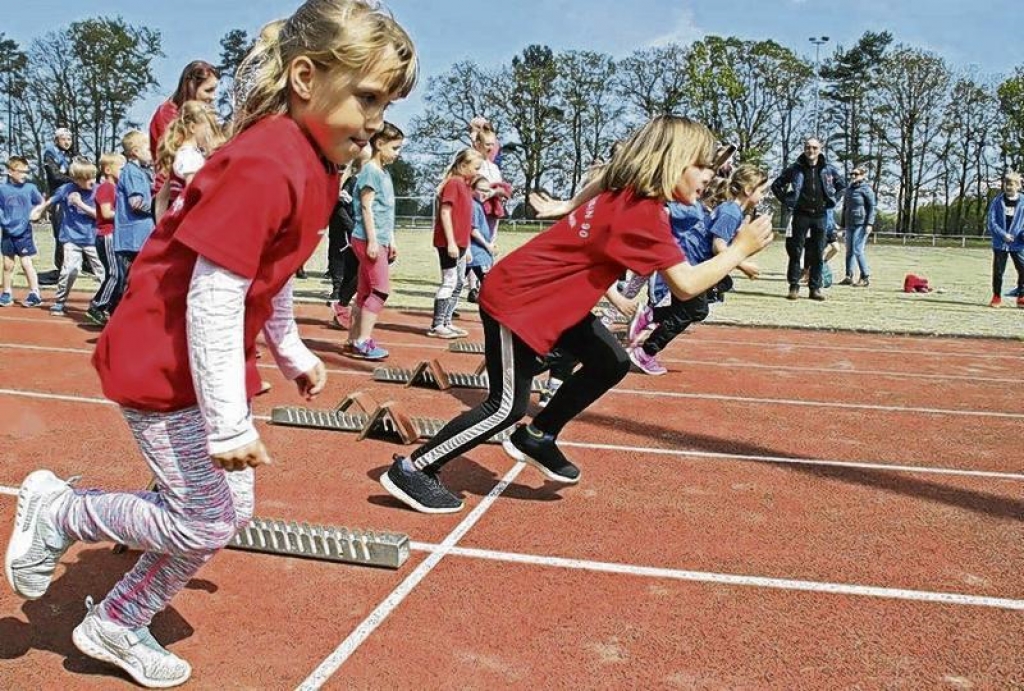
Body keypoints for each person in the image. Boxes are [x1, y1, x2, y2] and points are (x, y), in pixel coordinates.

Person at [3, 3, 417, 688]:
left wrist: (291, 349)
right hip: (160, 361)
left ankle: (115, 620)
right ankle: (61, 510)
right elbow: (214, 297)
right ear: (306, 78)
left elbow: (271, 273)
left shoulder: (316, 165)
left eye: (387, 102)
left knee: (225, 512)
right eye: (369, 97)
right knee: (201, 516)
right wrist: (228, 423)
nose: (376, 119)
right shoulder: (266, 162)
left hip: (204, 366)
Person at [379, 115, 773, 514]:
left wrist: (567, 205)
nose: (711, 177)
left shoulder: (630, 188)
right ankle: (414, 470)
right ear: (673, 162)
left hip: (555, 305)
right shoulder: (644, 214)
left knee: (610, 361)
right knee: (505, 407)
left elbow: (605, 178)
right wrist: (738, 251)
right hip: (519, 301)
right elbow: (685, 285)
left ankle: (539, 435)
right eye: (702, 166)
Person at [628, 164, 767, 375]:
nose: (763, 195)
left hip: (693, 259)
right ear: (748, 190)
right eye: (761, 190)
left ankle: (650, 315)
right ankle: (646, 351)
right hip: (692, 261)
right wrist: (743, 263)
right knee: (695, 310)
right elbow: (718, 245)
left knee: (712, 292)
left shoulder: (732, 210)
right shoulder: (731, 212)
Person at [346, 122, 404, 360]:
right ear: (379, 144)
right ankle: (363, 341)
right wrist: (372, 241)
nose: (398, 153)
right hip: (367, 238)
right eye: (395, 148)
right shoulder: (370, 171)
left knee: (365, 291)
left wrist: (391, 240)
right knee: (380, 290)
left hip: (380, 238)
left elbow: (386, 211)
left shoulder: (384, 173)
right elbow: (367, 208)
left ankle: (353, 338)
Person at [771, 137, 846, 301]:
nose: (810, 151)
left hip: (820, 215)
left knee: (818, 253)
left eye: (814, 148)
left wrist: (832, 200)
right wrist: (787, 200)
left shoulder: (828, 169)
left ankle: (815, 288)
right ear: (804, 149)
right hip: (801, 214)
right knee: (796, 252)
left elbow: (842, 186)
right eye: (807, 147)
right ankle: (794, 286)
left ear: (820, 149)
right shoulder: (795, 169)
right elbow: (776, 185)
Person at [426, 148, 484, 339]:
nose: (478, 172)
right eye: (476, 167)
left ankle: (447, 321)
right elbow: (445, 212)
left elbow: (465, 220)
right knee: (449, 281)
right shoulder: (453, 184)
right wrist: (451, 242)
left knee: (459, 281)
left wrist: (465, 245)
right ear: (463, 165)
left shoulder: (466, 187)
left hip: (460, 243)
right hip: (448, 242)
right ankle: (437, 324)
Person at [43, 158, 106, 316]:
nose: (92, 181)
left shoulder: (99, 190)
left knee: (102, 272)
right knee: (69, 270)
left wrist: (80, 204)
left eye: (93, 176)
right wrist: (39, 209)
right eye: (87, 179)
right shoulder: (66, 189)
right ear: (76, 180)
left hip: (93, 237)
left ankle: (104, 302)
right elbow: (51, 201)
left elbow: (100, 216)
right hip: (71, 237)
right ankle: (60, 301)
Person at [148, 60, 220, 194]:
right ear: (191, 87)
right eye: (208, 90)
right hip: (171, 193)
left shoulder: (201, 116)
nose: (213, 97)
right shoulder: (168, 114)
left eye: (214, 91)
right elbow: (171, 158)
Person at [108, 130, 155, 314]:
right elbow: (135, 203)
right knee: (131, 282)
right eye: (148, 149)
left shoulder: (140, 172)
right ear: (135, 151)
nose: (152, 152)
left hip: (139, 237)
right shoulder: (132, 173)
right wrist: (159, 208)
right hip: (133, 239)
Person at [153, 100, 225, 220]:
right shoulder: (190, 155)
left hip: (177, 222)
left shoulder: (182, 154)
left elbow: (161, 197)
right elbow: (194, 191)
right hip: (188, 221)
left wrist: (160, 225)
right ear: (192, 127)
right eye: (207, 129)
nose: (209, 135)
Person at [328, 144, 371, 329]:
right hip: (354, 235)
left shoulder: (365, 180)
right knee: (363, 272)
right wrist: (353, 229)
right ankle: (343, 307)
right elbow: (341, 209)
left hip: (362, 233)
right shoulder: (354, 182)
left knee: (356, 273)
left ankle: (342, 307)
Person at [0, 156, 48, 307]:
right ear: (10, 171)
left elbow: (42, 202)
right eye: (20, 172)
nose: (24, 175)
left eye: (26, 172)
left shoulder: (30, 188)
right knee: (8, 264)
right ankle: (6, 292)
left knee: (26, 262)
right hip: (8, 231)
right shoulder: (2, 189)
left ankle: (35, 293)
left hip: (24, 231)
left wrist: (37, 213)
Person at [86, 153, 126, 325]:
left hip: (114, 235)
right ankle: (97, 305)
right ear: (109, 170)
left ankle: (112, 306)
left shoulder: (117, 188)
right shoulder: (106, 188)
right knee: (114, 273)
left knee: (121, 275)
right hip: (106, 234)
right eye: (121, 169)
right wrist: (125, 216)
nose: (124, 173)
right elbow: (106, 212)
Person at [985, 171, 1024, 308]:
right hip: (1000, 243)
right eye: (1006, 184)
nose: (1008, 187)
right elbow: (991, 222)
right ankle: (996, 296)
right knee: (998, 271)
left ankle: (1021, 295)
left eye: (1011, 184)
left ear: (1018, 186)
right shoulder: (997, 201)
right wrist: (1003, 235)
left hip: (1018, 243)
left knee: (1023, 269)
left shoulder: (1023, 202)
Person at [40, 127, 76, 280]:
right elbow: (55, 176)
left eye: (69, 139)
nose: (67, 142)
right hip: (58, 197)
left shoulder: (72, 156)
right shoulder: (50, 154)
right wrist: (76, 179)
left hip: (72, 197)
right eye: (64, 139)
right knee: (60, 231)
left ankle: (74, 265)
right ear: (56, 140)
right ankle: (59, 267)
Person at [838, 166, 876, 287]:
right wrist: (842, 225)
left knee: (858, 250)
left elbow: (872, 207)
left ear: (863, 176)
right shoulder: (848, 190)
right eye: (852, 174)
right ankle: (848, 276)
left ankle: (865, 276)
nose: (853, 176)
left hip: (862, 224)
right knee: (849, 251)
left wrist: (869, 223)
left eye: (856, 174)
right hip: (849, 224)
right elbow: (844, 208)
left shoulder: (866, 189)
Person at [466, 175, 496, 303]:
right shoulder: (473, 205)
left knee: (458, 280)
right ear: (472, 189)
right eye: (481, 190)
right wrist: (487, 245)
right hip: (476, 252)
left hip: (479, 252)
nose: (485, 194)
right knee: (489, 282)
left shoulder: (478, 205)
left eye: (487, 191)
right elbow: (473, 229)